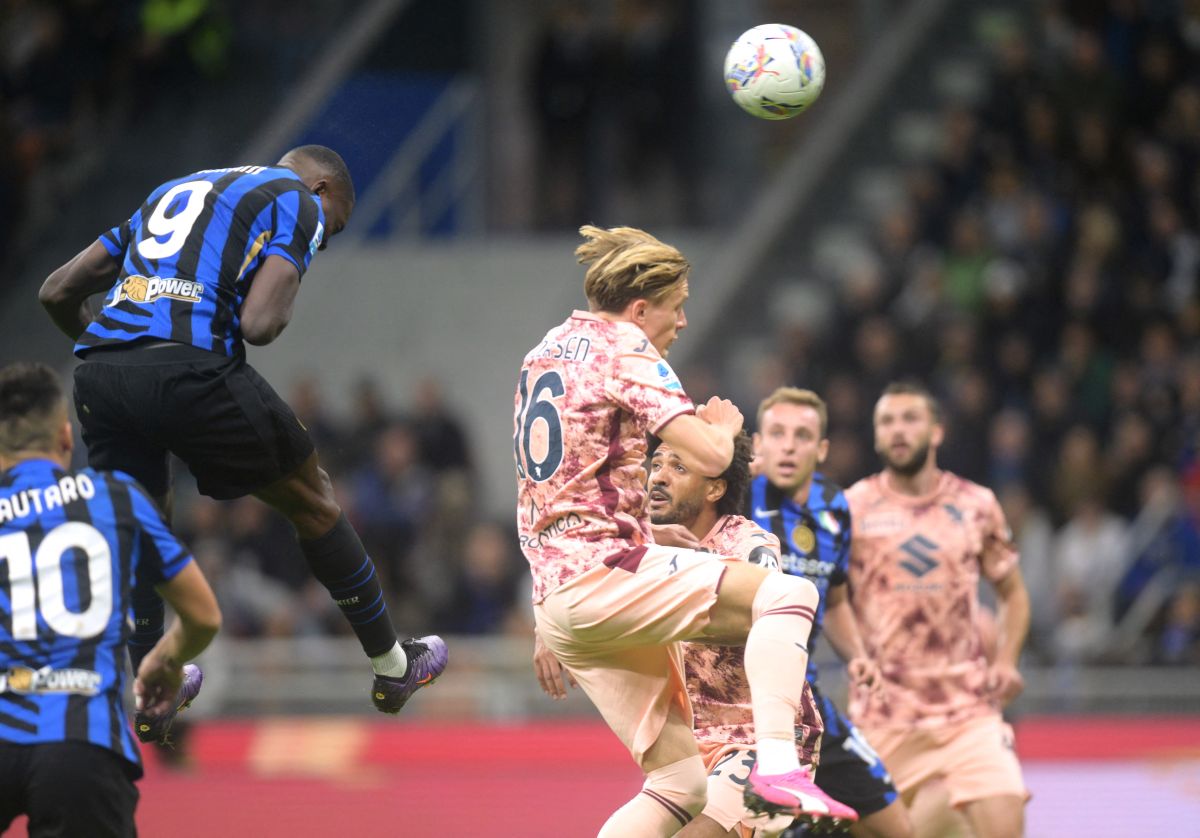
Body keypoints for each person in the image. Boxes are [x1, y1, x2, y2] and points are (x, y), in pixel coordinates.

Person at [38, 145, 447, 733]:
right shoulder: (298, 199)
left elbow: (56, 290)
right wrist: (180, 351)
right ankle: (392, 664)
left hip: (101, 376)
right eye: (331, 232)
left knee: (143, 525)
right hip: (193, 369)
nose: (322, 241)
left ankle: (152, 692)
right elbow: (260, 324)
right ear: (324, 190)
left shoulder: (170, 190)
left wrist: (125, 351)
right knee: (313, 498)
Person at [518, 225, 853, 836]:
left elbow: (563, 484)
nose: (684, 323)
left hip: (555, 599)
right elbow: (709, 452)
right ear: (642, 309)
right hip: (603, 577)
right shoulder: (624, 346)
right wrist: (722, 427)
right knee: (790, 594)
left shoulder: (544, 350)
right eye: (679, 307)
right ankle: (779, 767)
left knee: (678, 781)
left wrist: (639, 540)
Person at [536, 432, 850, 837]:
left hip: (752, 739)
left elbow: (773, 610)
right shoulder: (638, 556)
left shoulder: (746, 542)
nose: (659, 478)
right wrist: (547, 626)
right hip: (689, 751)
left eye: (679, 467)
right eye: (657, 464)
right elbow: (576, 586)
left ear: (715, 488)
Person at [0, 362, 221, 836]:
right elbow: (203, 615)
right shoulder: (115, 497)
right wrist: (163, 661)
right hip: (82, 742)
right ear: (65, 437)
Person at [845, 382, 1030, 838]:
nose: (899, 430)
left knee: (1008, 822)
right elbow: (826, 596)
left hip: (967, 710)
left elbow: (1013, 593)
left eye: (911, 419)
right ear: (876, 436)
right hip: (883, 713)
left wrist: (1006, 659)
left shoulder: (976, 504)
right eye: (887, 421)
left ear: (937, 431)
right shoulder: (851, 508)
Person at [749, 387, 914, 838]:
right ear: (757, 444)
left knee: (895, 828)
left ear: (821, 449)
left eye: (802, 435)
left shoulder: (835, 507)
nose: (788, 445)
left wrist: (857, 655)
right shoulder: (730, 495)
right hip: (738, 706)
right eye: (776, 433)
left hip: (810, 701)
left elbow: (836, 599)